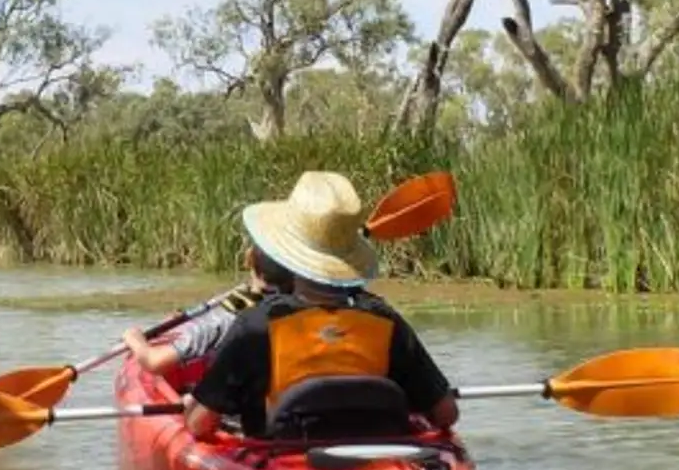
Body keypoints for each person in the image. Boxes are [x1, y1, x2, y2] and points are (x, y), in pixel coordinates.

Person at [182, 170, 460, 443]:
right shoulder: (387, 322)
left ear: (288, 257)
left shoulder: (255, 326)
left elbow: (198, 425)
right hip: (376, 462)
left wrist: (190, 406)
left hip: (282, 462)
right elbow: (446, 414)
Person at [120, 245, 293, 380]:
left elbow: (154, 361)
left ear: (249, 261)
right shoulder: (306, 307)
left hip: (237, 413)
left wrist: (134, 338)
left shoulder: (227, 318)